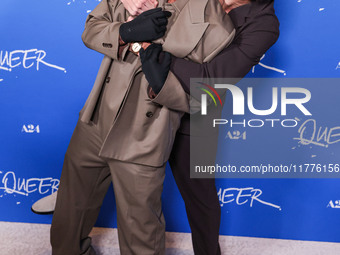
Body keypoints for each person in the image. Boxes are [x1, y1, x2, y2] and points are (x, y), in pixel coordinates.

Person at [50, 0, 235, 254]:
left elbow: (205, 98)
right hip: (96, 120)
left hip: (145, 135)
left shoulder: (219, 29)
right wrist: (124, 33)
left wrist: (162, 84)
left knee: (142, 236)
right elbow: (91, 30)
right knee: (69, 216)